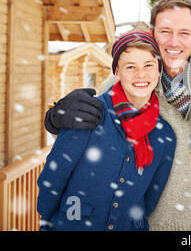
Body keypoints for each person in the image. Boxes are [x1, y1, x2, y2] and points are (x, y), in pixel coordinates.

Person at [43, 0, 191, 230]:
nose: (174, 41)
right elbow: (83, 136)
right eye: (165, 31)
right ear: (152, 32)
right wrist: (56, 120)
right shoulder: (122, 81)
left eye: (184, 32)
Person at [37, 31, 176, 231]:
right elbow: (53, 177)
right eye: (130, 67)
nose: (141, 74)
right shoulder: (89, 113)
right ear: (117, 72)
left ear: (158, 70)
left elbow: (150, 197)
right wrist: (55, 221)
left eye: (148, 65)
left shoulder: (165, 135)